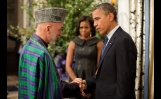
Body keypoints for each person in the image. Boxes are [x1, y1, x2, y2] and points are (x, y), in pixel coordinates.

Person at [18, 7, 83, 99]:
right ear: (48, 28)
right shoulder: (42, 53)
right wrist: (76, 86)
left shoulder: (28, 47)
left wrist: (69, 85)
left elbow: (46, 83)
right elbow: (53, 90)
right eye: (60, 29)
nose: (60, 33)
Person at [79, 2, 138, 99]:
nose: (94, 24)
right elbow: (105, 76)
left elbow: (125, 84)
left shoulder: (123, 41)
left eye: (97, 19)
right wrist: (85, 84)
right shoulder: (108, 40)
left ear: (110, 16)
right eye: (94, 20)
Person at [66, 15, 104, 99]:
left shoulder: (98, 43)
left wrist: (90, 83)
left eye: (86, 27)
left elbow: (100, 66)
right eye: (81, 27)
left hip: (92, 78)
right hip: (76, 78)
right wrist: (77, 82)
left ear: (91, 28)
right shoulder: (73, 43)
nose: (83, 30)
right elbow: (68, 66)